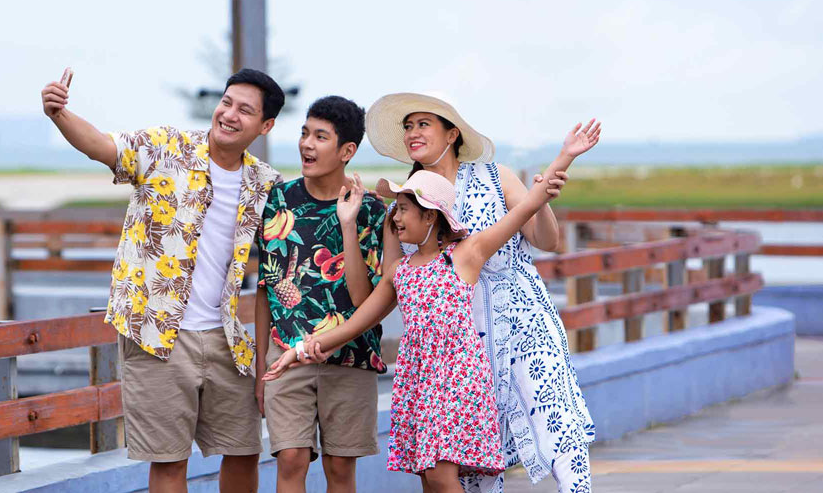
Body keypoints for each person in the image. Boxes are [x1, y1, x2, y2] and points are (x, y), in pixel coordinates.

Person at [263, 121, 600, 493]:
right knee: (430, 477)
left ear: (430, 216)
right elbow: (359, 320)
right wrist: (299, 350)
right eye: (396, 209)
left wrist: (565, 156)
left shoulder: (465, 256)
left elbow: (529, 206)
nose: (395, 217)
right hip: (420, 381)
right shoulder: (400, 272)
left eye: (404, 209)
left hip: (457, 380)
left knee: (440, 474)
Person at [40, 66, 285, 493]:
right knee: (170, 461)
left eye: (245, 110)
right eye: (226, 102)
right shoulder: (165, 147)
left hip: (227, 338)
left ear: (265, 126)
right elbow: (102, 146)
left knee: (244, 450)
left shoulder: (265, 184)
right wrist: (59, 114)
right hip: (156, 333)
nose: (229, 114)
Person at [365, 93, 599, 493]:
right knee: (474, 462)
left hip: (524, 322)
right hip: (460, 345)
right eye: (408, 126)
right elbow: (396, 281)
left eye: (423, 124)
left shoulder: (495, 176)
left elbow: (547, 240)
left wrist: (541, 199)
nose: (413, 133)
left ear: (452, 134)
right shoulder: (405, 204)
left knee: (558, 424)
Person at [256, 96, 387, 493]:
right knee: (290, 458)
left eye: (320, 136)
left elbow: (365, 299)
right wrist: (261, 364)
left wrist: (348, 224)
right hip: (286, 353)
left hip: (351, 355)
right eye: (304, 133)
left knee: (340, 467)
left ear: (347, 151)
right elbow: (265, 289)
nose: (306, 144)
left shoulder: (372, 210)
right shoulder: (277, 201)